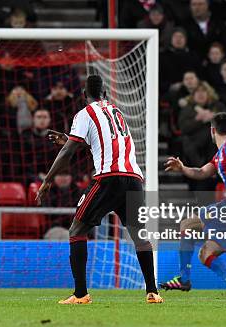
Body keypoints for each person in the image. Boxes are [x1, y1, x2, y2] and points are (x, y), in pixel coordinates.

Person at [36, 75, 163, 304]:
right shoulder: (117, 112)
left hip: (108, 178)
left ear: (85, 95)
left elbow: (67, 153)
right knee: (139, 236)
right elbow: (99, 140)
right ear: (105, 93)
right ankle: (152, 292)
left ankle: (81, 294)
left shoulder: (85, 113)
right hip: (133, 179)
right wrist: (68, 138)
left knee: (76, 229)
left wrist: (47, 181)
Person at [159, 112, 226, 297]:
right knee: (203, 250)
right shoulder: (221, 154)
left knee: (191, 230)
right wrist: (183, 168)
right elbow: (201, 172)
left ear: (212, 130)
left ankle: (185, 279)